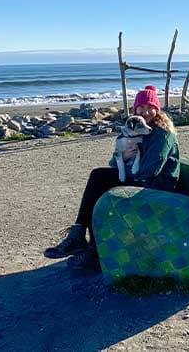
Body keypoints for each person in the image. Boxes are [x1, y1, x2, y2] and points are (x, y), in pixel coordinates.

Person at [44, 85, 180, 270]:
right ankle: (83, 239)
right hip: (143, 178)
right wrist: (123, 158)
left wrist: (124, 171)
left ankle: (89, 247)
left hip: (158, 186)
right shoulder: (138, 128)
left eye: (150, 107)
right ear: (135, 110)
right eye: (141, 108)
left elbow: (151, 169)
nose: (146, 111)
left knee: (100, 182)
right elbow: (114, 163)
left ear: (157, 109)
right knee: (98, 178)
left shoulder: (162, 134)